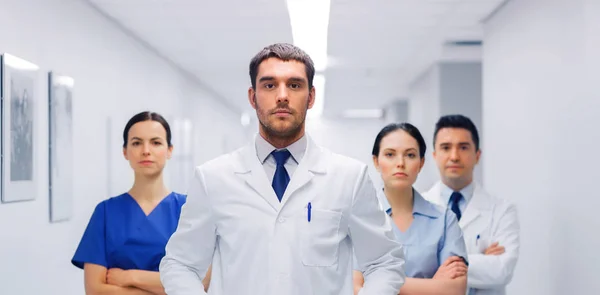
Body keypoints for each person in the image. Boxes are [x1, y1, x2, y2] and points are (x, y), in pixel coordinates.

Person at [159, 43, 406, 295]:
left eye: (295, 85)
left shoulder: (349, 178)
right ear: (252, 97)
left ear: (310, 97)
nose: (282, 96)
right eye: (269, 85)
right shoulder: (213, 178)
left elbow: (384, 263)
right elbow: (181, 264)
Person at [71, 111, 210, 294]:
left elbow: (200, 282)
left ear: (169, 150)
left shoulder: (190, 210)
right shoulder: (105, 212)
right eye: (136, 143)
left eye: (156, 142)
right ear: (125, 152)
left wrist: (129, 277)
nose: (146, 150)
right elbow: (95, 290)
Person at [353, 123, 468, 295]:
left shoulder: (444, 220)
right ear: (376, 161)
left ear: (421, 163)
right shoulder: (358, 218)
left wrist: (377, 282)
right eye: (390, 154)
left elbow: (455, 289)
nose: (400, 163)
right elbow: (354, 287)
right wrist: (432, 286)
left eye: (410, 155)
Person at [422, 114, 520, 295]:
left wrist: (437, 262)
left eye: (463, 147)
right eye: (446, 147)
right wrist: (481, 260)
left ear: (477, 155)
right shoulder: (414, 208)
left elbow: (502, 270)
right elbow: (408, 269)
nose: (454, 156)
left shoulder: (502, 210)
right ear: (435, 155)